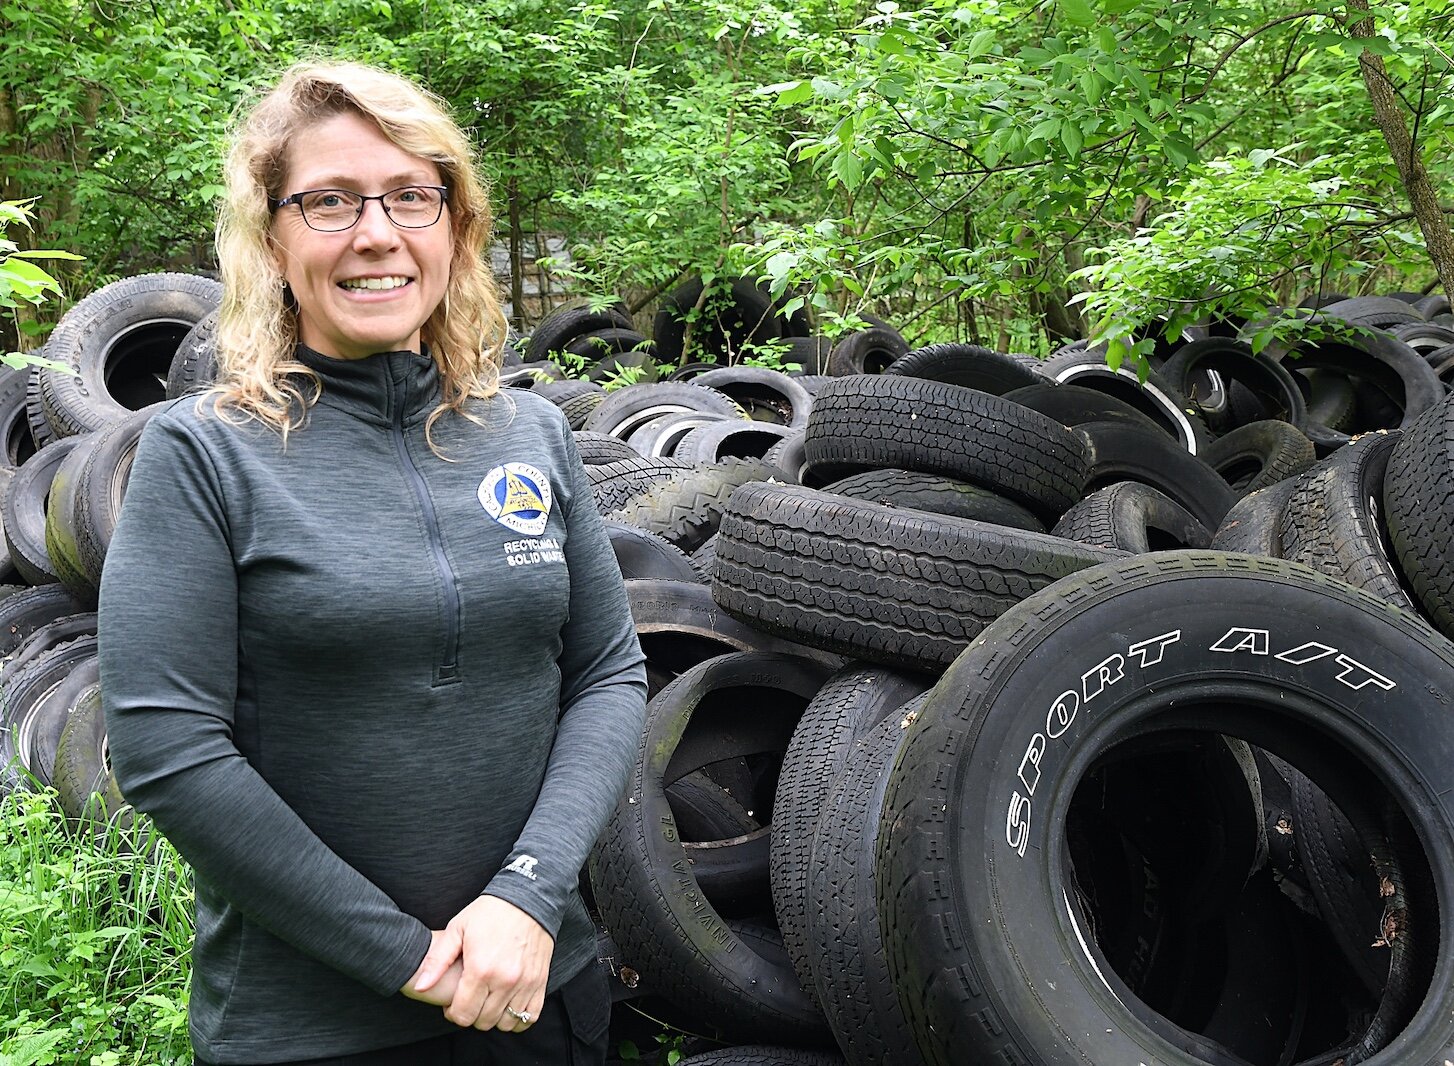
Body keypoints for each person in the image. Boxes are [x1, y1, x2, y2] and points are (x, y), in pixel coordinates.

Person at [97, 60, 647, 1066]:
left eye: (410, 196)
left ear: (454, 227)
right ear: (272, 237)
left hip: (540, 993)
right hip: (313, 1030)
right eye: (330, 201)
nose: (377, 232)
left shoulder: (528, 433)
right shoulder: (202, 453)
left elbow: (606, 673)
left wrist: (526, 897)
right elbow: (167, 751)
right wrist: (411, 960)